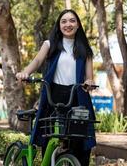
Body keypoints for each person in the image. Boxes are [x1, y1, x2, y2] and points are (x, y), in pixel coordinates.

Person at [16, 9, 96, 166]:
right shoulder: (50, 44)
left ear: (78, 25)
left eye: (72, 21)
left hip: (77, 96)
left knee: (79, 141)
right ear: (59, 25)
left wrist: (90, 83)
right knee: (48, 137)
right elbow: (38, 61)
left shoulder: (85, 50)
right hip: (54, 94)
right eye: (64, 21)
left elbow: (89, 76)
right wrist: (25, 73)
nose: (68, 24)